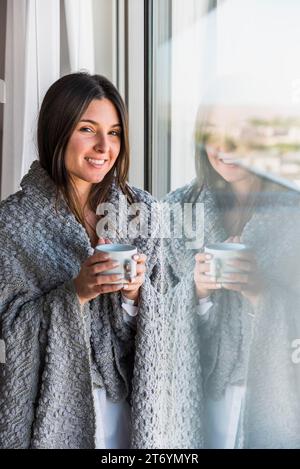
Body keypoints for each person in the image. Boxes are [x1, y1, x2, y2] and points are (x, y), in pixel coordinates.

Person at [0, 72, 163, 449]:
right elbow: (14, 331)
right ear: (57, 130)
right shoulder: (11, 224)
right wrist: (76, 292)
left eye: (116, 132)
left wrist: (136, 295)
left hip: (133, 410)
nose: (105, 146)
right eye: (88, 129)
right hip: (51, 408)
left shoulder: (145, 212)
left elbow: (171, 317)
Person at [162, 105, 300, 448]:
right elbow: (152, 315)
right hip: (197, 396)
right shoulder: (176, 210)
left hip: (270, 393)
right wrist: (197, 291)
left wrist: (260, 291)